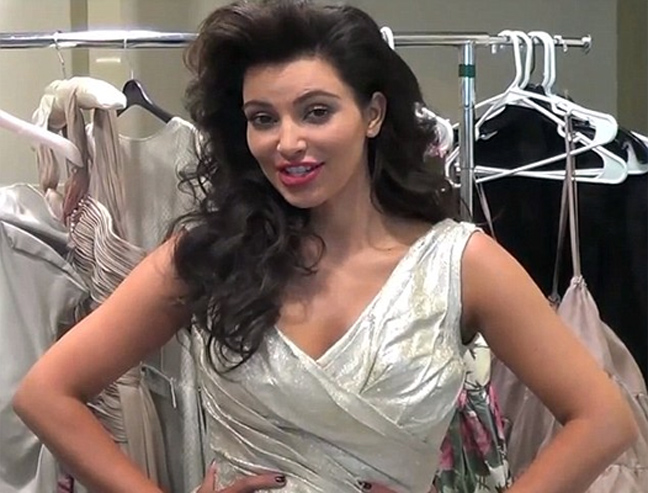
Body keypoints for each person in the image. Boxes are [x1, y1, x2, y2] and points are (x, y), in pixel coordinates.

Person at [13, 1, 637, 492]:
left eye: (315, 112)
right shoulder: (210, 255)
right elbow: (46, 394)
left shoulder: (460, 263)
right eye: (263, 118)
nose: (287, 142)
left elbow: (603, 420)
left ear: (373, 114)